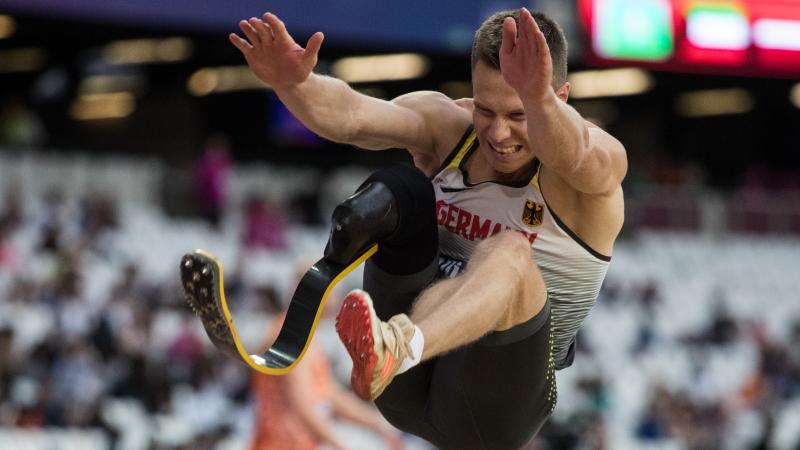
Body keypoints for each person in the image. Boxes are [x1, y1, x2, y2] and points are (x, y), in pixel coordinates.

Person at [229, 7, 626, 449]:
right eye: (485, 109)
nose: (498, 133)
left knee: (510, 251)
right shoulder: (450, 128)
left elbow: (579, 159)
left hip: (490, 412)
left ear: (561, 97)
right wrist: (293, 82)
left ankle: (399, 343)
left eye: (519, 114)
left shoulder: (593, 170)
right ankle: (349, 303)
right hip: (400, 387)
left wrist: (541, 104)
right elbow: (354, 116)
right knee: (402, 188)